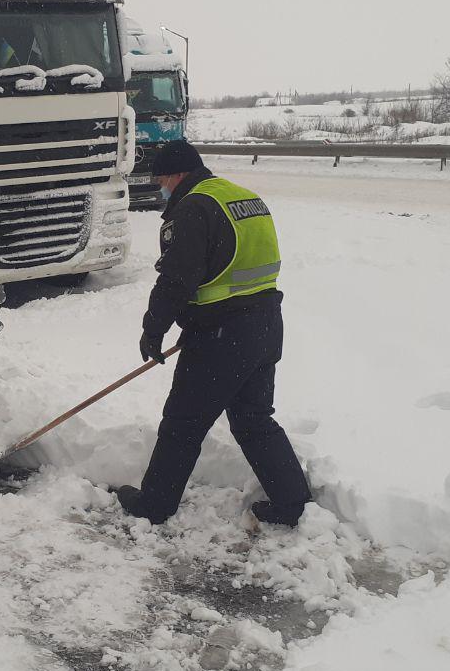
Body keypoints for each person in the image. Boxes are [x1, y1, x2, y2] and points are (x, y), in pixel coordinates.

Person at [116, 139, 313, 527]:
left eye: (161, 180)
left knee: (182, 423)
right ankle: (292, 503)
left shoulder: (193, 208)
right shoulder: (243, 198)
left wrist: (152, 331)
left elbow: (176, 279)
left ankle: (154, 505)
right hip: (267, 324)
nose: (160, 188)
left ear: (175, 175)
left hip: (222, 335)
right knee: (254, 419)